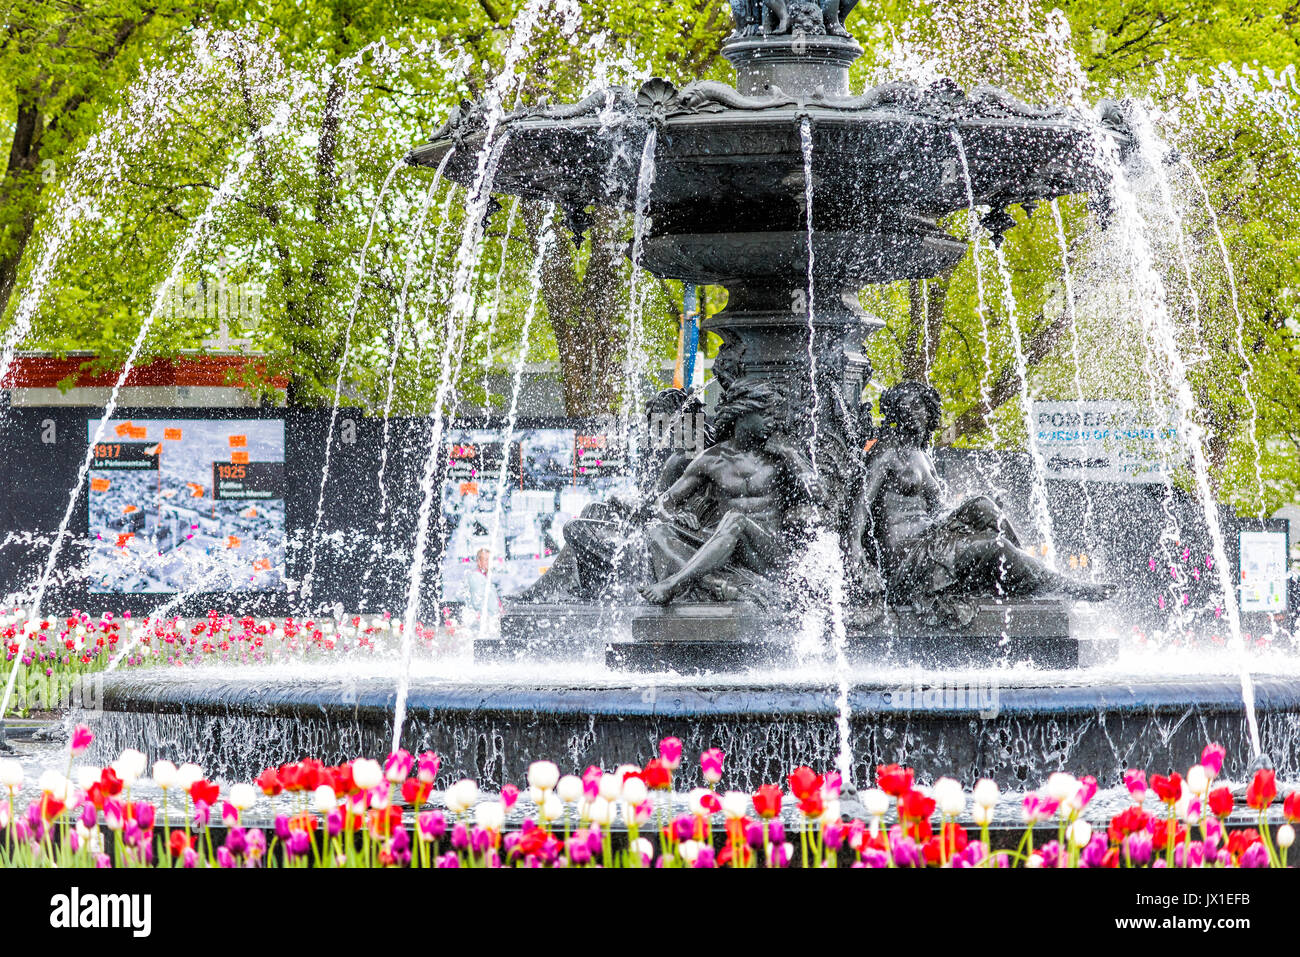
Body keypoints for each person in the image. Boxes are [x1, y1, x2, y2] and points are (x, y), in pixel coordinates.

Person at [847, 380, 1115, 622]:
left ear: (929, 410)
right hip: (908, 557)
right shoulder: (886, 451)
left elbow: (940, 510)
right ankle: (1058, 585)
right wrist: (855, 553)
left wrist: (972, 513)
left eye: (918, 406)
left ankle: (1022, 573)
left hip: (930, 538)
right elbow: (860, 504)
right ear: (896, 412)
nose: (913, 413)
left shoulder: (923, 457)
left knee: (983, 505)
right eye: (906, 408)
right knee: (995, 546)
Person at [639, 377, 822, 605]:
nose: (772, 422)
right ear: (743, 413)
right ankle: (713, 583)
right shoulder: (712, 459)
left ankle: (673, 585)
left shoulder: (780, 455)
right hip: (722, 546)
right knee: (656, 531)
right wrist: (673, 515)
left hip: (770, 551)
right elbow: (664, 503)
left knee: (736, 519)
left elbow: (819, 496)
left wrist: (791, 455)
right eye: (765, 414)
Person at [459, 548, 502, 630]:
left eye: (490, 560)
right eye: (486, 560)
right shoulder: (476, 577)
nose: (489, 563)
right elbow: (477, 603)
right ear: (479, 561)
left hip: (490, 621)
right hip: (484, 624)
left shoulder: (484, 578)